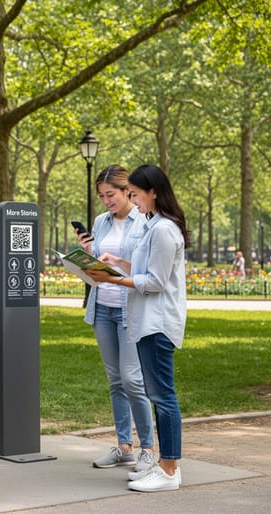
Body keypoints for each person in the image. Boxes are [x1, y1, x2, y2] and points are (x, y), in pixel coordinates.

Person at [87, 164, 189, 493]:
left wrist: (113, 279)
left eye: (135, 193)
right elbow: (145, 269)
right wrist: (117, 264)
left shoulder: (162, 229)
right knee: (158, 394)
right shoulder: (154, 225)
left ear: (153, 192)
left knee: (163, 396)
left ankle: (169, 468)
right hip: (147, 321)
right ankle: (164, 464)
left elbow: (156, 281)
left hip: (157, 322)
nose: (133, 199)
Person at [74, 165, 156, 472]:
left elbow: (147, 266)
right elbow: (97, 267)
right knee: (115, 381)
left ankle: (148, 448)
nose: (107, 201)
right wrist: (86, 255)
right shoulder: (100, 222)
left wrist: (118, 262)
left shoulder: (145, 222)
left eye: (112, 194)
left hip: (130, 307)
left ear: (127, 192)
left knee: (132, 379)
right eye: (102, 196)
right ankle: (125, 447)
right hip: (103, 307)